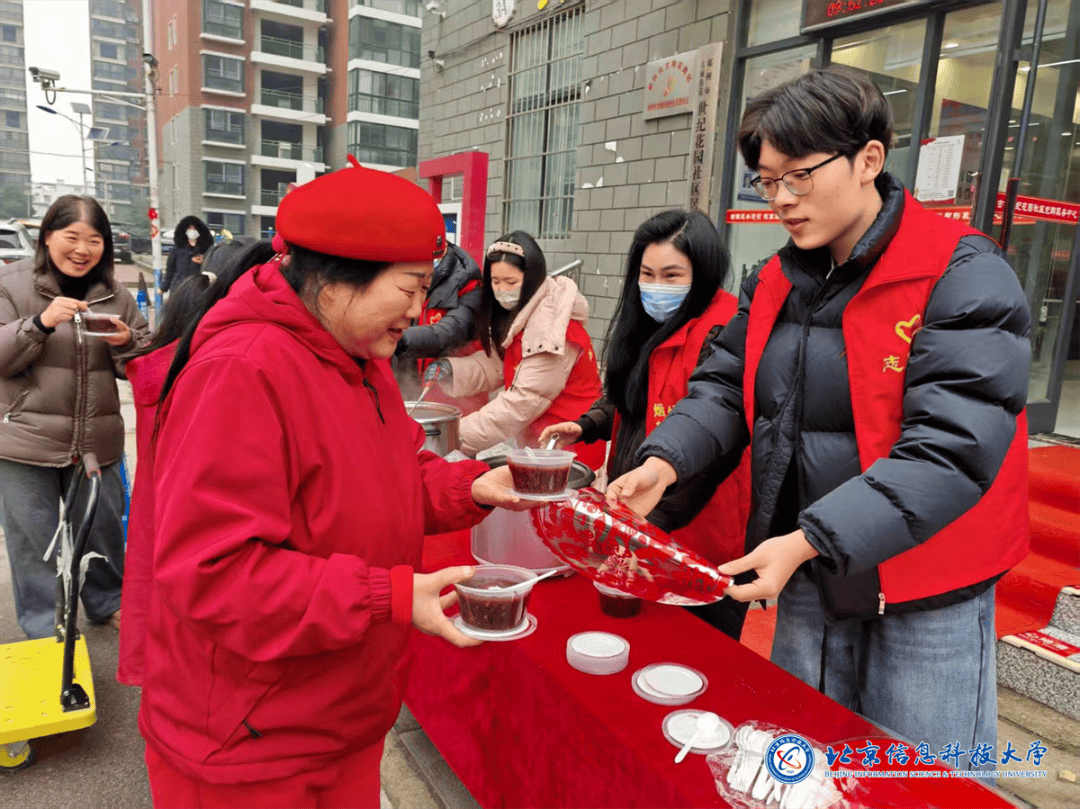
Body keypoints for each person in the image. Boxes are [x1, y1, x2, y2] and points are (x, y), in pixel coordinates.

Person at [607, 66, 1030, 769]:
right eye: (768, 181)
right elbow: (725, 387)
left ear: (869, 159)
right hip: (809, 564)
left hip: (923, 584)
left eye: (799, 175)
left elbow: (951, 450)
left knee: (921, 774)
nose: (781, 199)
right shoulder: (776, 278)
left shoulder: (960, 272)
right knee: (810, 760)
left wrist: (808, 540)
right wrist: (664, 460)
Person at [138, 158, 531, 808]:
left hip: (338, 717)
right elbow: (215, 572)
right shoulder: (244, 370)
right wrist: (386, 595)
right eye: (409, 286)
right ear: (332, 279)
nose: (419, 309)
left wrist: (473, 488)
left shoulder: (356, 354)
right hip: (249, 745)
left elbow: (393, 472)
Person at [538, 209, 752, 639]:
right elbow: (633, 399)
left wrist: (645, 526)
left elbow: (713, 436)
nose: (657, 287)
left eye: (672, 276)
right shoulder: (650, 323)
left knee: (695, 648)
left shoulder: (724, 331)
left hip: (698, 531)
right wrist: (588, 424)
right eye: (647, 274)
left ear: (703, 272)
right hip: (639, 518)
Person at [0, 194, 149, 639]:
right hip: (24, 441)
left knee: (102, 529)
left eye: (95, 240)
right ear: (47, 236)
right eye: (72, 237)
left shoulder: (117, 295)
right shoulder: (11, 284)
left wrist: (127, 343)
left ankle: (107, 601)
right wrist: (40, 324)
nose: (83, 250)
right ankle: (48, 627)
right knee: (35, 541)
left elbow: (146, 360)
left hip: (96, 443)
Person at [116, 239, 250, 686]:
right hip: (198, 513)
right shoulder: (213, 367)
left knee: (155, 598)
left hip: (155, 507)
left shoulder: (155, 363)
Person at [425, 232, 604, 467]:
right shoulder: (524, 315)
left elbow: (520, 404)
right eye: (495, 281)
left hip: (567, 451)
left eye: (511, 282)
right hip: (538, 446)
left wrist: (450, 434)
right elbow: (500, 363)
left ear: (531, 278)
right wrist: (452, 369)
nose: (502, 290)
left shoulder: (552, 329)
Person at [393, 239, 488, 414]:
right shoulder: (405, 270)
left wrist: (397, 337)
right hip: (412, 389)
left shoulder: (468, 279)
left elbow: (454, 331)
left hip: (454, 395)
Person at [161, 215, 213, 293]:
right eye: (189, 228)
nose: (192, 231)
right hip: (178, 288)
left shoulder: (206, 249)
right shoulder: (177, 248)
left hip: (198, 288)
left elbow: (212, 270)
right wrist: (164, 287)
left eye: (195, 229)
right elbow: (170, 270)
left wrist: (203, 262)